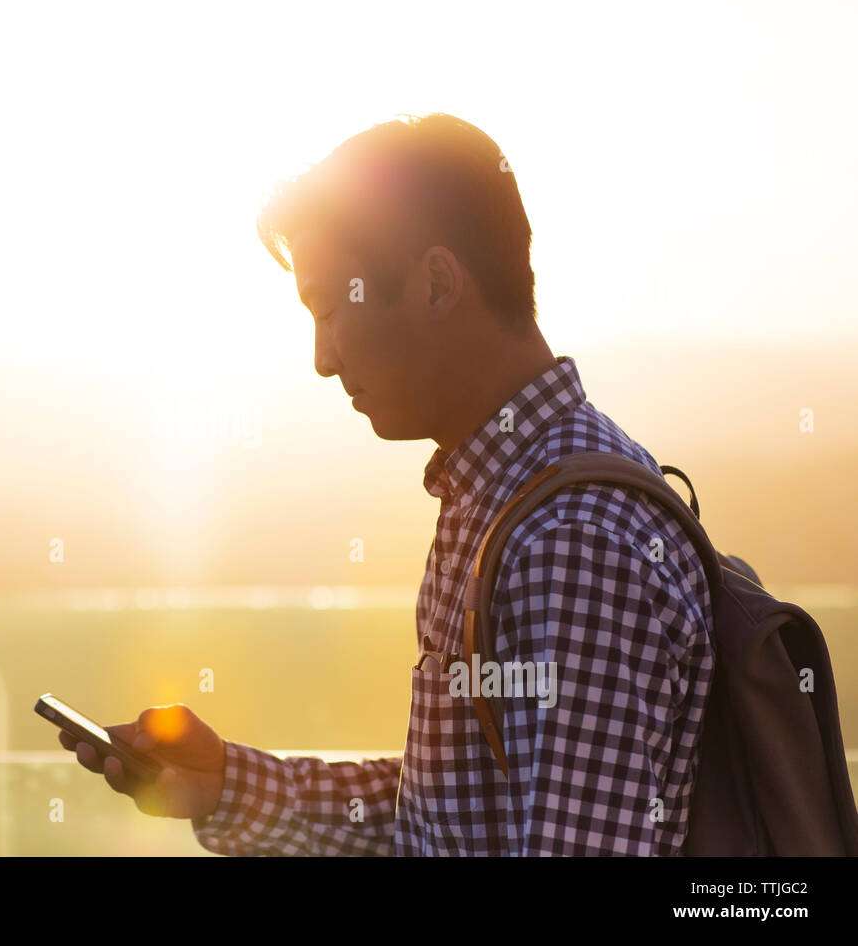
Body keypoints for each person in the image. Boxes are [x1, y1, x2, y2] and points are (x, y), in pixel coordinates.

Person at [59, 113, 715, 855]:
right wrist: (226, 786)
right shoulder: (510, 501)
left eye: (333, 310)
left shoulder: (566, 542)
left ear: (437, 284)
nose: (322, 359)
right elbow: (457, 822)